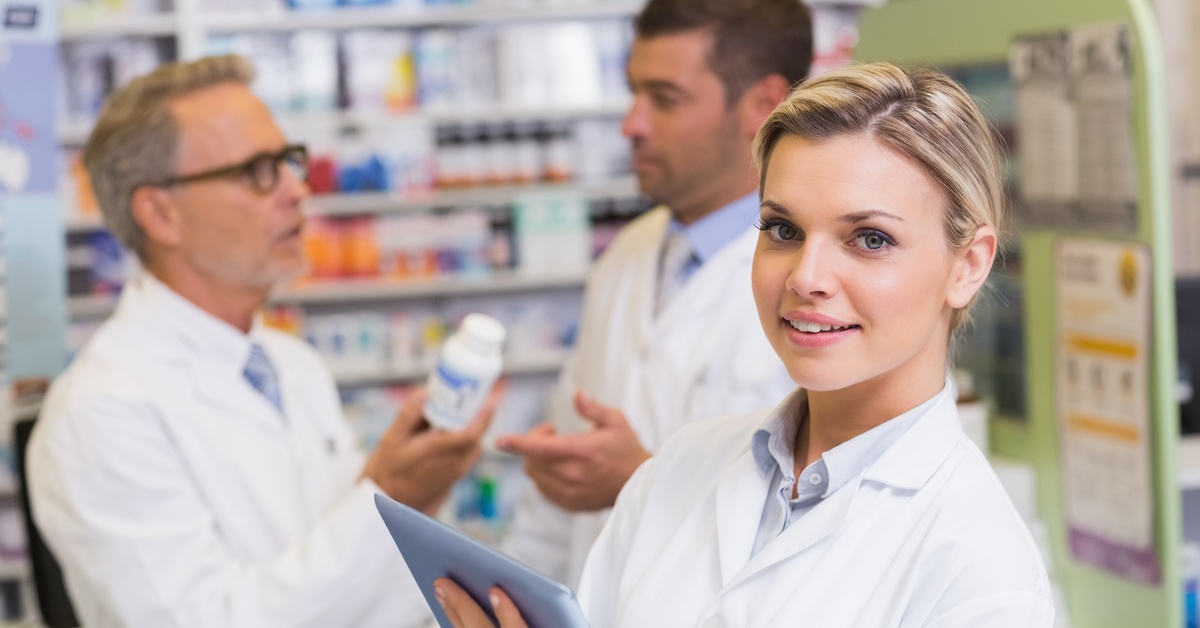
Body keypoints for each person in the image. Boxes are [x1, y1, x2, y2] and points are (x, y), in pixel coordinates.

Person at [435, 62, 1056, 627]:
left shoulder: (980, 571)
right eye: (782, 229)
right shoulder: (679, 468)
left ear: (968, 265)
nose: (806, 278)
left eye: (869, 239)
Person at [28, 55, 494, 627]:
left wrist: (414, 489)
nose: (298, 190)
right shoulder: (100, 411)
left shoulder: (291, 365)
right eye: (258, 171)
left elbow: (358, 579)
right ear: (160, 213)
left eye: (289, 162)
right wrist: (390, 495)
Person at [497, 0, 811, 588]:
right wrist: (504, 596)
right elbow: (562, 490)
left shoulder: (820, 285)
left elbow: (832, 536)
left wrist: (641, 479)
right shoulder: (627, 254)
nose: (632, 124)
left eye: (664, 98)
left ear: (763, 106)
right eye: (633, 93)